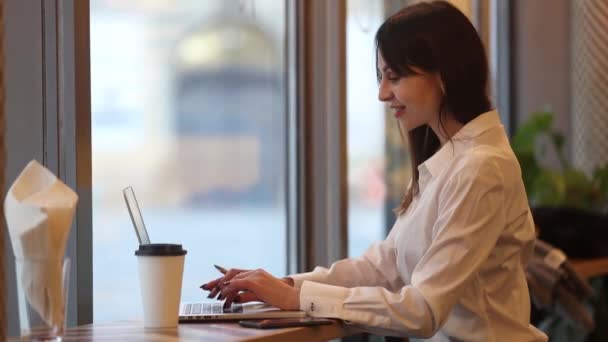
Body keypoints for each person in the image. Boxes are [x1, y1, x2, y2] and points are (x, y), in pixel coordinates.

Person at [201, 1, 548, 340]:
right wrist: (285, 285)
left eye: (393, 77)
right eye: (381, 77)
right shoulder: (451, 160)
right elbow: (386, 266)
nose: (383, 94)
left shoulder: (480, 168)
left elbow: (423, 309)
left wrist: (295, 299)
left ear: (442, 74)